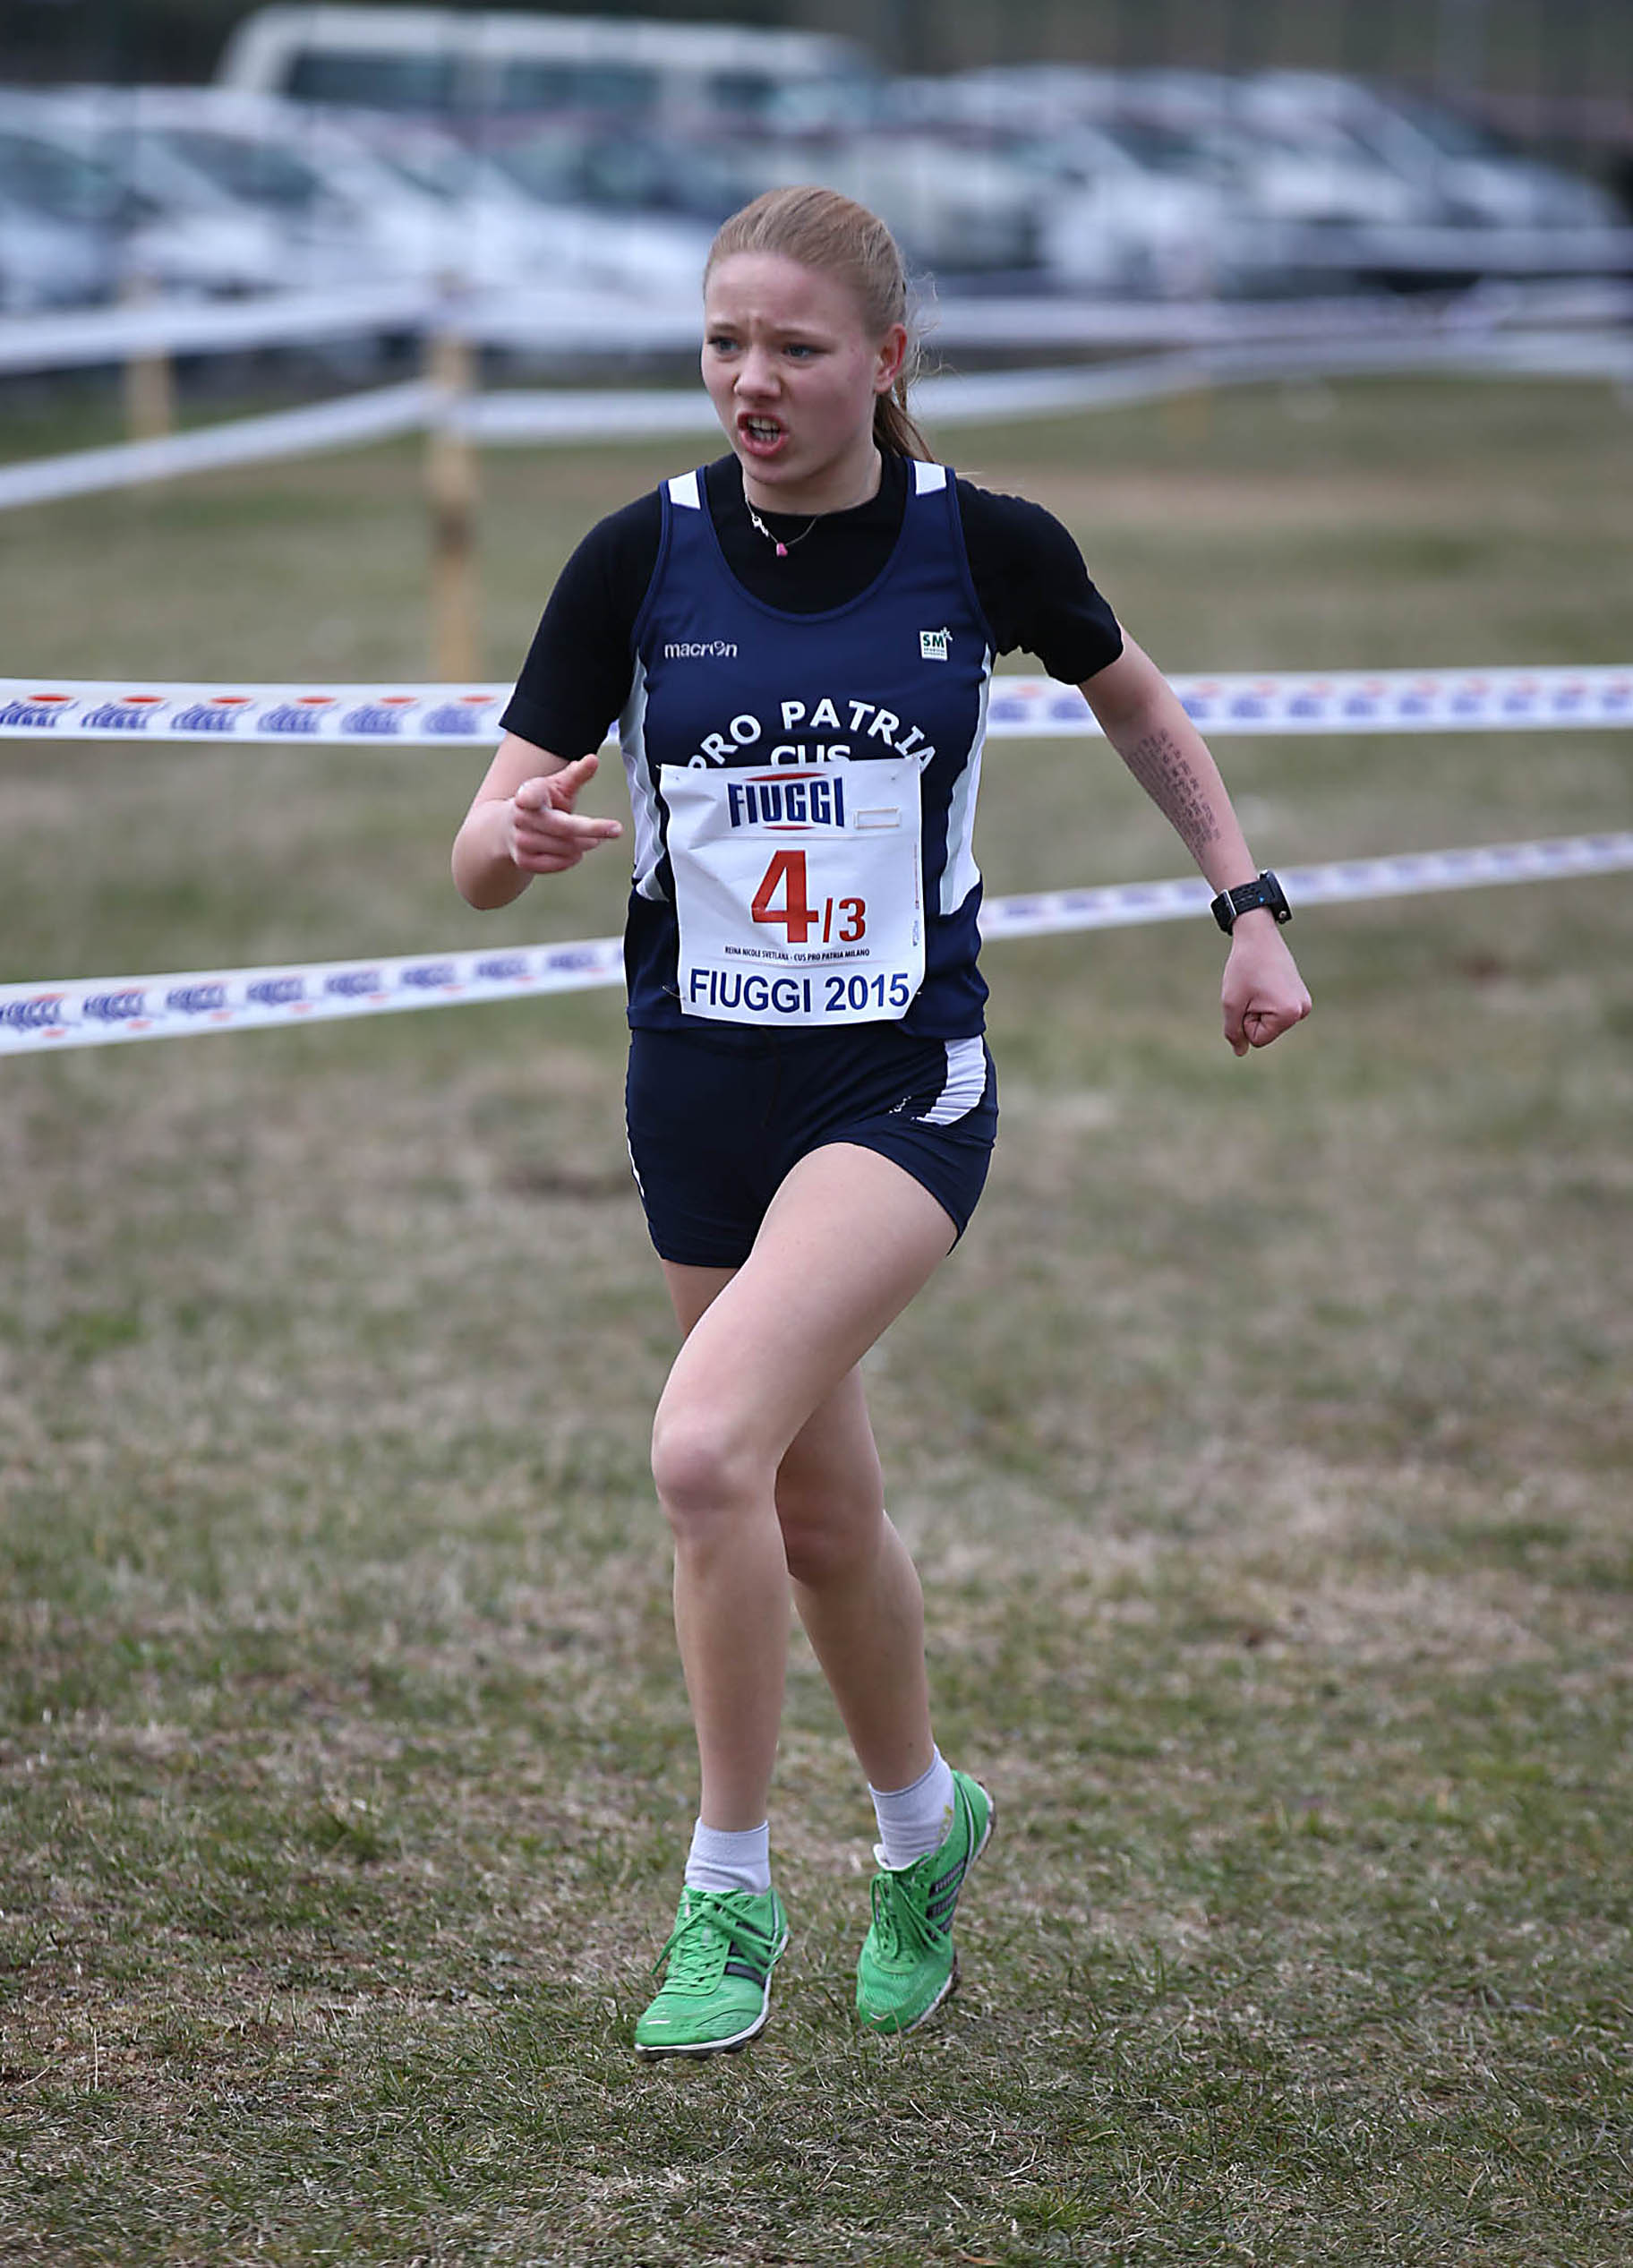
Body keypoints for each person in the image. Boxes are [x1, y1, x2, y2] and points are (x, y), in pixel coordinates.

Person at [451, 185, 1311, 2061]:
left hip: (898, 1087)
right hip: (696, 1094)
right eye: (723, 343)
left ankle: (728, 1890)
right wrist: (509, 835)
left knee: (704, 1455)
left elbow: (1140, 703)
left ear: (887, 359)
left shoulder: (980, 544)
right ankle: (927, 1827)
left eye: (795, 347)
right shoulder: (639, 554)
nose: (749, 381)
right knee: (817, 1510)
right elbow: (477, 851)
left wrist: (1244, 903)